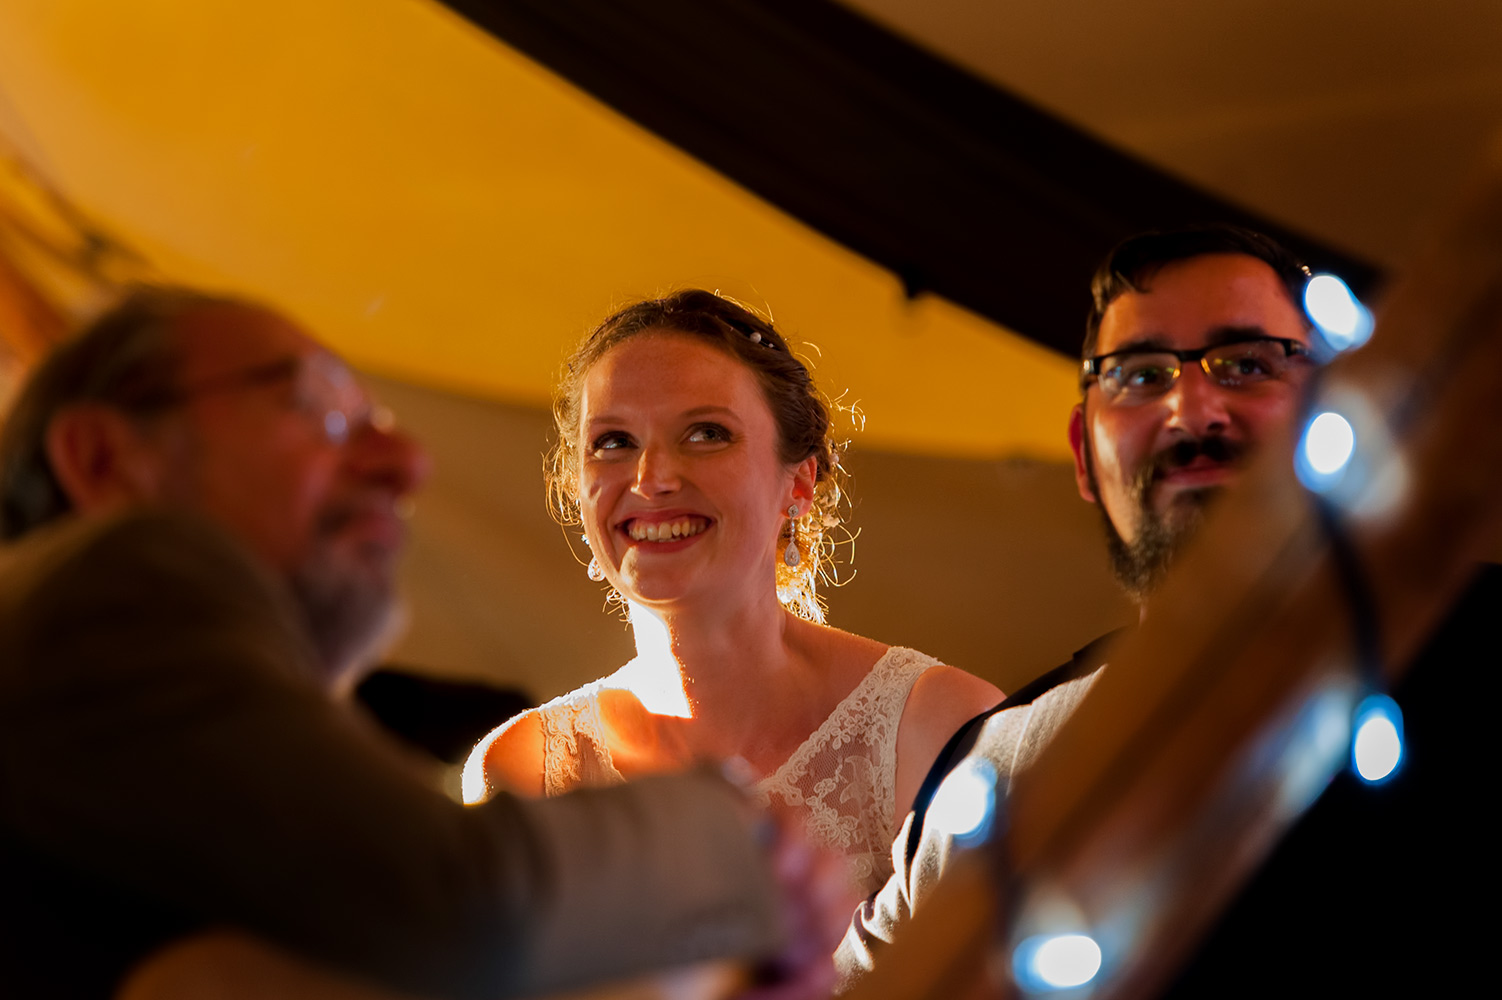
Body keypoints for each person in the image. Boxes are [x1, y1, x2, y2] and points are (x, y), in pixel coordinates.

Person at [0, 287, 842, 999]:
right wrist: (739, 844)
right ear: (105, 459)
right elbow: (464, 904)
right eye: (319, 410)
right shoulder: (107, 594)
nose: (405, 462)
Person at [835, 224, 1328, 984]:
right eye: (1138, 375)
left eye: (1247, 365)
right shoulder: (997, 771)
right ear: (1082, 454)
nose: (1194, 411)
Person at [467, 290, 1001, 894]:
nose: (653, 478)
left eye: (706, 433)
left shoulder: (937, 731)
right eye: (614, 442)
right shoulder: (525, 771)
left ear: (799, 483)